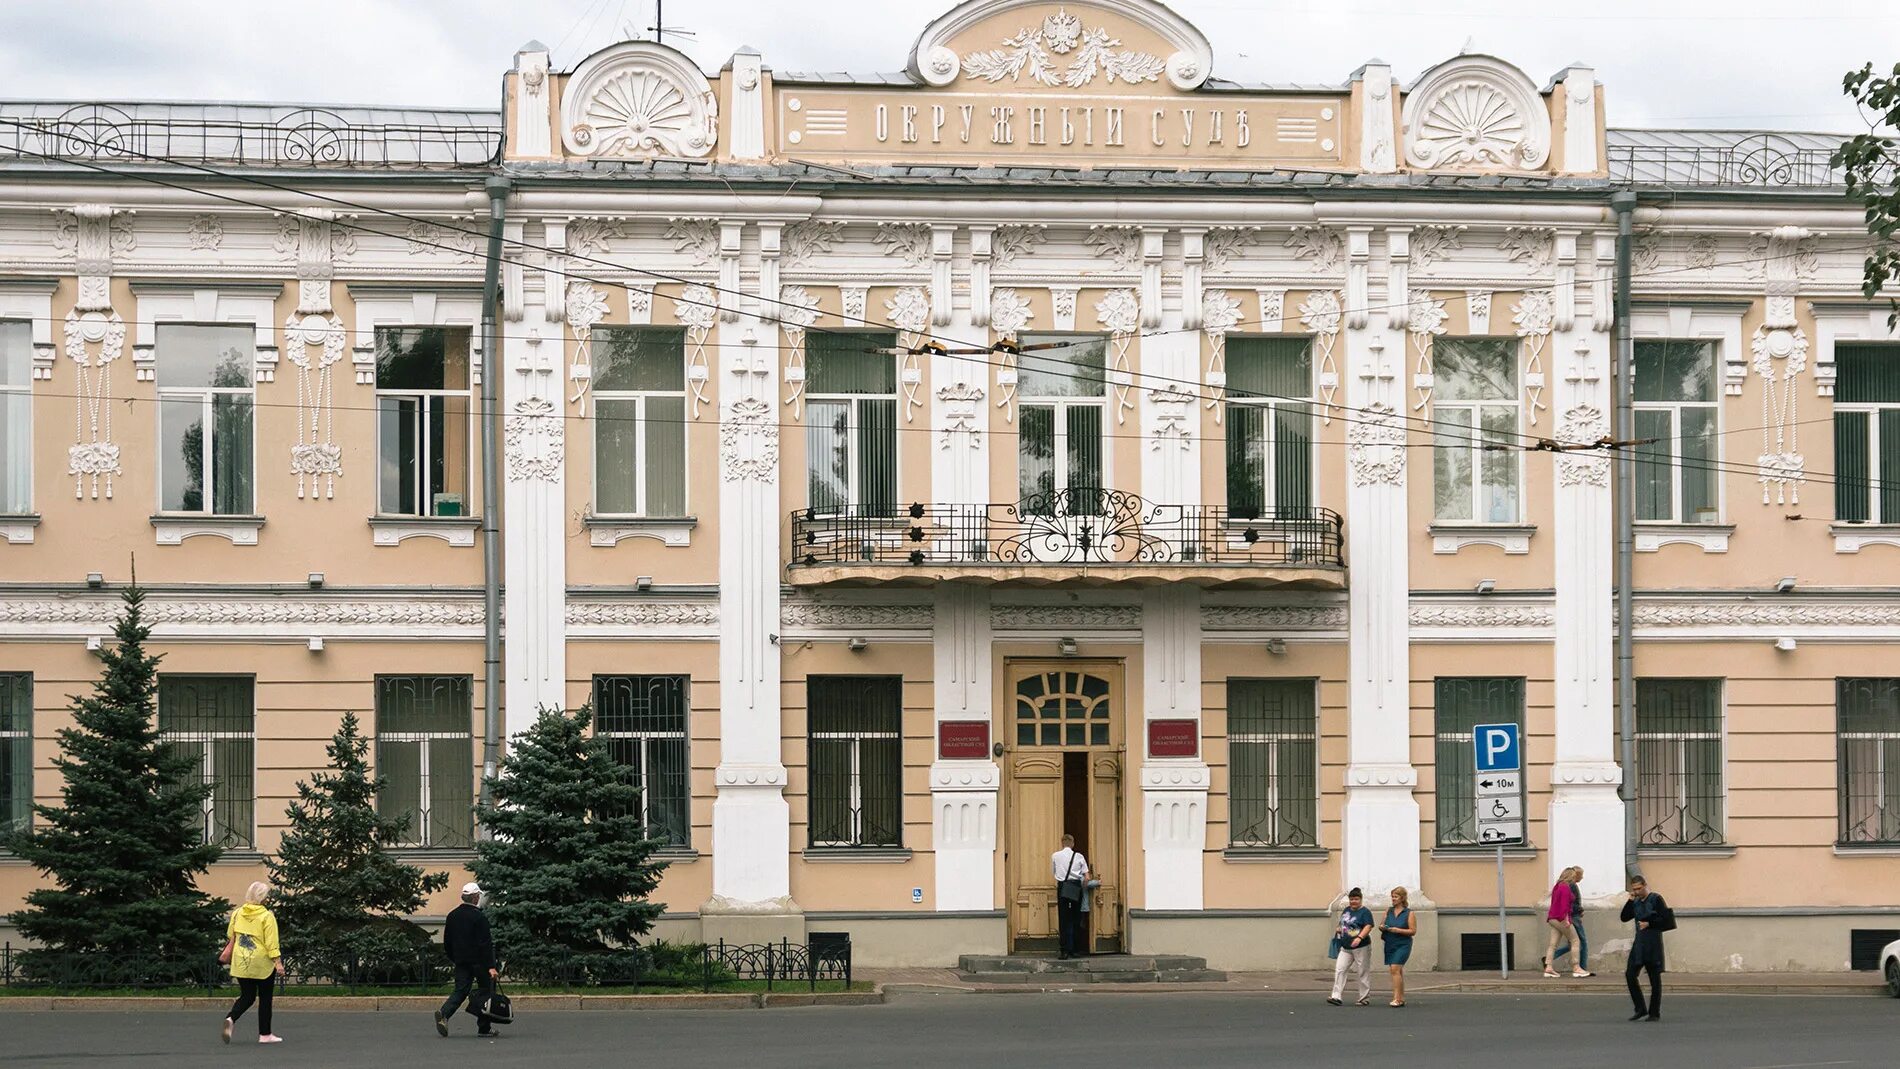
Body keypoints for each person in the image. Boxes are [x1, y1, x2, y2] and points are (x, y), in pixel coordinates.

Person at [221, 881, 285, 1045]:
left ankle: (231, 1018)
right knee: (265, 998)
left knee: (247, 996)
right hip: (261, 962)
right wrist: (277, 963)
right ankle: (265, 1034)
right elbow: (271, 943)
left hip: (241, 960)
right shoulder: (266, 916)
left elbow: (230, 934)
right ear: (264, 898)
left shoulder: (237, 913)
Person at [436, 882, 503, 1038]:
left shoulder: (452, 915)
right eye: (478, 895)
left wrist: (455, 958)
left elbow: (447, 942)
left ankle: (444, 1014)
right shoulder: (479, 917)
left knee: (460, 990)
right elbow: (485, 944)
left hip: (461, 961)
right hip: (480, 963)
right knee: (486, 992)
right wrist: (491, 966)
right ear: (475, 897)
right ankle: (484, 1028)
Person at [1621, 875, 1670, 1021]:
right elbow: (1624, 917)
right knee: (1630, 974)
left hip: (1653, 942)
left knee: (1654, 978)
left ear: (1645, 886)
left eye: (1639, 889)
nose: (1637, 892)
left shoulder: (1656, 899)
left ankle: (1654, 1012)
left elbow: (1666, 920)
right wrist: (1630, 900)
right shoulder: (1635, 901)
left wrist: (1650, 923)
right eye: (1634, 889)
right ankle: (1640, 1008)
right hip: (1640, 943)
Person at [1326, 887, 1375, 1007]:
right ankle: (1336, 996)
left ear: (1361, 900)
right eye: (1352, 899)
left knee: (1362, 971)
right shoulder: (1347, 910)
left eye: (1356, 899)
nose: (1353, 901)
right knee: (1340, 969)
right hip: (1346, 946)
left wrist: (1359, 938)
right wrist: (1339, 929)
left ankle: (1364, 998)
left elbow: (1368, 926)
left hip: (1361, 947)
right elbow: (1342, 922)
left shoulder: (1365, 912)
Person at [1050, 834, 1090, 960]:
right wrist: (1083, 886)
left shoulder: (1055, 856)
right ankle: (1075, 949)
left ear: (1062, 843)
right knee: (1075, 918)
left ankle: (1064, 950)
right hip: (1075, 887)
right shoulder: (1079, 856)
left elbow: (1054, 872)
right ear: (1072, 843)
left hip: (1063, 887)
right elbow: (1087, 877)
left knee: (1064, 918)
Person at [1543, 866, 1588, 978]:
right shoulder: (1566, 887)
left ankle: (1548, 967)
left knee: (1553, 944)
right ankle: (1576, 967)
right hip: (1561, 918)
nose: (1574, 878)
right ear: (1570, 876)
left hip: (1552, 918)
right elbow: (1565, 906)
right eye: (1573, 876)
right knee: (1575, 941)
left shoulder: (1557, 886)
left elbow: (1554, 903)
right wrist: (1566, 919)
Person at [1380, 886, 1415, 1007]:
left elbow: (1412, 931)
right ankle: (1401, 997)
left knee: (1394, 969)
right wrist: (1382, 927)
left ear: (1402, 898)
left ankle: (1397, 998)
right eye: (1392, 896)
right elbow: (1382, 924)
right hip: (1390, 943)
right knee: (1398, 971)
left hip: (1403, 944)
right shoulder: (1388, 911)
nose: (1393, 899)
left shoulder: (1409, 913)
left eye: (1396, 896)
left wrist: (1397, 930)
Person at [1077, 871, 1103, 959]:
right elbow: (1086, 883)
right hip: (1081, 905)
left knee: (1082, 924)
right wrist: (1098, 882)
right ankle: (1083, 946)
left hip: (1080, 905)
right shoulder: (1079, 877)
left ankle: (1082, 946)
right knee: (1082, 925)